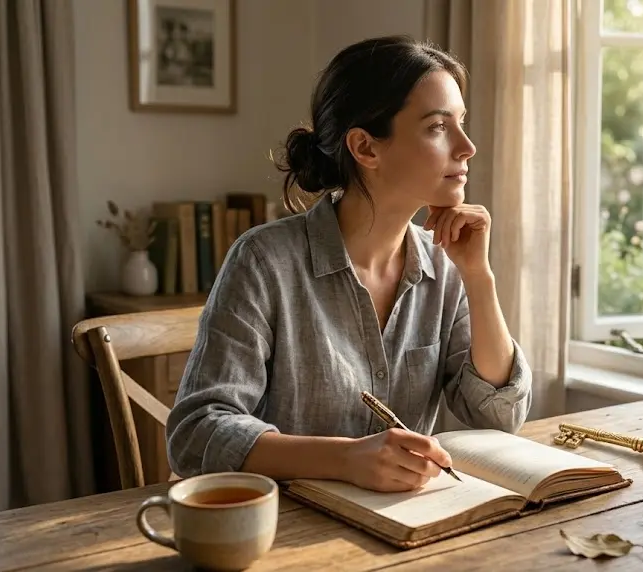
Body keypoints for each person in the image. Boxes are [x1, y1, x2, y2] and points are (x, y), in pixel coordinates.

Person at [165, 35, 533, 493]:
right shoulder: (264, 261)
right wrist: (345, 459)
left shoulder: (449, 267)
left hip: (408, 533)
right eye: (439, 127)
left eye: (461, 123)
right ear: (365, 148)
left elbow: (500, 415)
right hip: (285, 534)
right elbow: (197, 432)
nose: (467, 147)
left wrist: (480, 278)